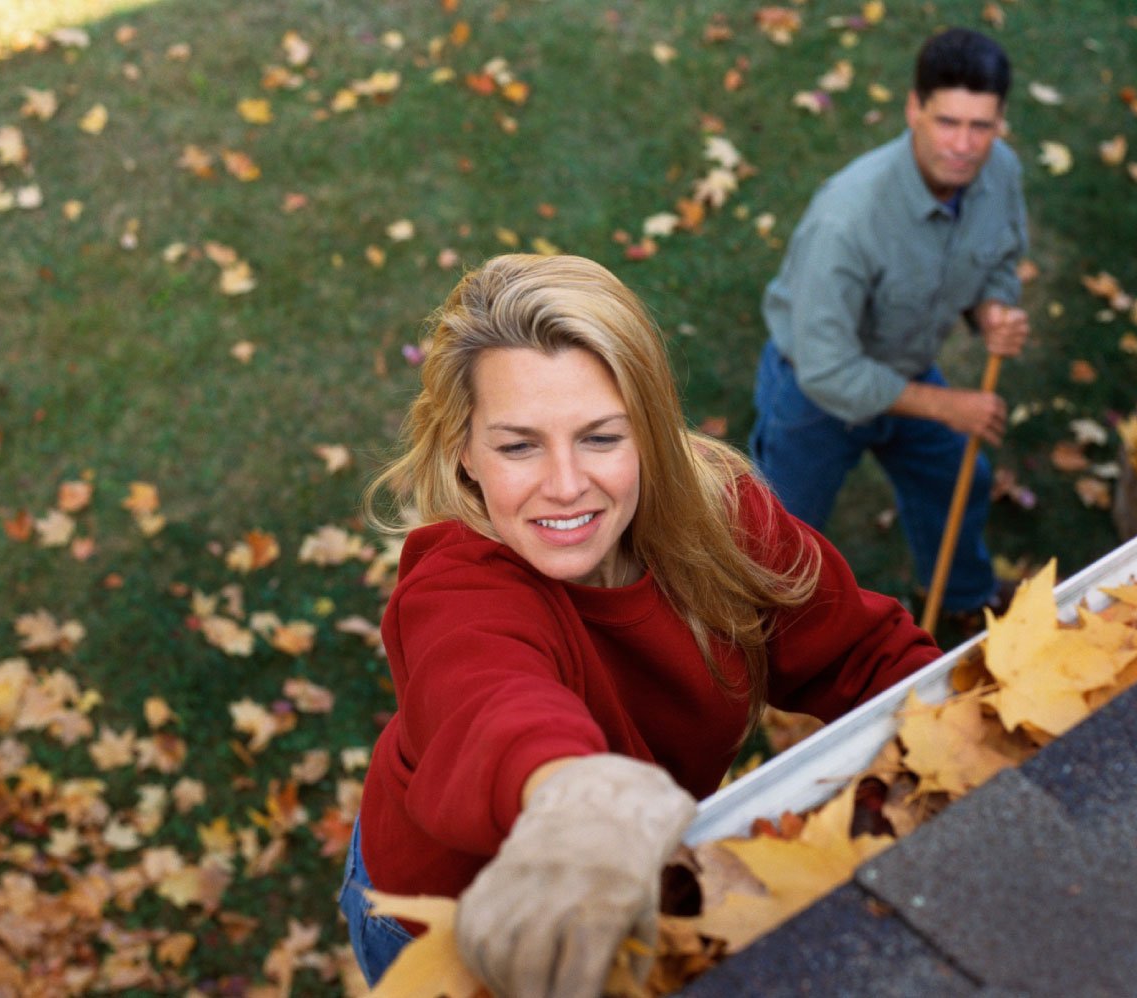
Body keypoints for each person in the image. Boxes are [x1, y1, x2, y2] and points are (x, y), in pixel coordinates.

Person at [340, 253, 942, 996]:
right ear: (465, 452)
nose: (565, 485)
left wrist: (957, 737)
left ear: (651, 433)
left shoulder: (722, 517)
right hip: (449, 922)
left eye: (600, 437)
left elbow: (866, 653)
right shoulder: (457, 585)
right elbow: (491, 702)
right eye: (519, 444)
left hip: (633, 888)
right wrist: (584, 802)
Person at [748, 27, 1031, 628]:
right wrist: (946, 406)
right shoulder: (847, 220)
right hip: (814, 394)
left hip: (903, 362)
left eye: (981, 126)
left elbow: (1001, 259)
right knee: (778, 540)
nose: (963, 146)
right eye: (947, 122)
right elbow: (829, 368)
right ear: (913, 109)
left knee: (961, 478)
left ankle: (963, 596)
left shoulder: (999, 172)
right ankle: (757, 637)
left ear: (1001, 120)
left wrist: (992, 310)